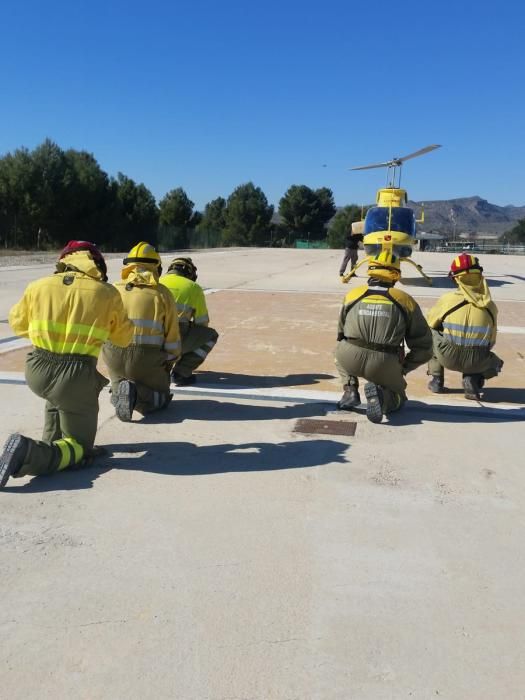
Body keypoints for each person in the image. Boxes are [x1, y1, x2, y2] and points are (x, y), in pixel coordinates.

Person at [0, 241, 134, 488]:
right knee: (80, 448)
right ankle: (28, 454)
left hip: (37, 368)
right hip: (76, 374)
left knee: (57, 399)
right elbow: (124, 339)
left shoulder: (38, 286)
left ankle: (49, 447)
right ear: (96, 264)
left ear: (64, 261)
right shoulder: (105, 293)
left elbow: (18, 324)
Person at [335, 250, 432, 423]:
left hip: (349, 356)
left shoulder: (352, 295)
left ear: (370, 270)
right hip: (384, 361)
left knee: (338, 351)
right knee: (399, 399)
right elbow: (424, 347)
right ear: (395, 275)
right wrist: (403, 368)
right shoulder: (405, 300)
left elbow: (341, 333)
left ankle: (350, 389)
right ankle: (384, 399)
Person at [102, 242, 181, 421]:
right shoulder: (162, 294)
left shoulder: (113, 289)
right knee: (161, 399)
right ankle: (139, 394)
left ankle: (119, 390)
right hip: (146, 357)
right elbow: (173, 339)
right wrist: (169, 361)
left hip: (113, 353)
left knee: (119, 385)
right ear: (156, 268)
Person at [427, 254, 503, 399]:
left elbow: (431, 324)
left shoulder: (447, 299)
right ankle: (472, 379)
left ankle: (437, 380)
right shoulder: (490, 306)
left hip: (447, 356)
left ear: (455, 278)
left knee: (430, 331)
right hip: (478, 360)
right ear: (480, 276)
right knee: (495, 362)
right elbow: (491, 340)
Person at [159, 257, 218, 385]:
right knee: (211, 335)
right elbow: (202, 323)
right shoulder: (193, 287)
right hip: (176, 337)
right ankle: (181, 372)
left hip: (151, 336)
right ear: (189, 272)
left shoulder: (156, 282)